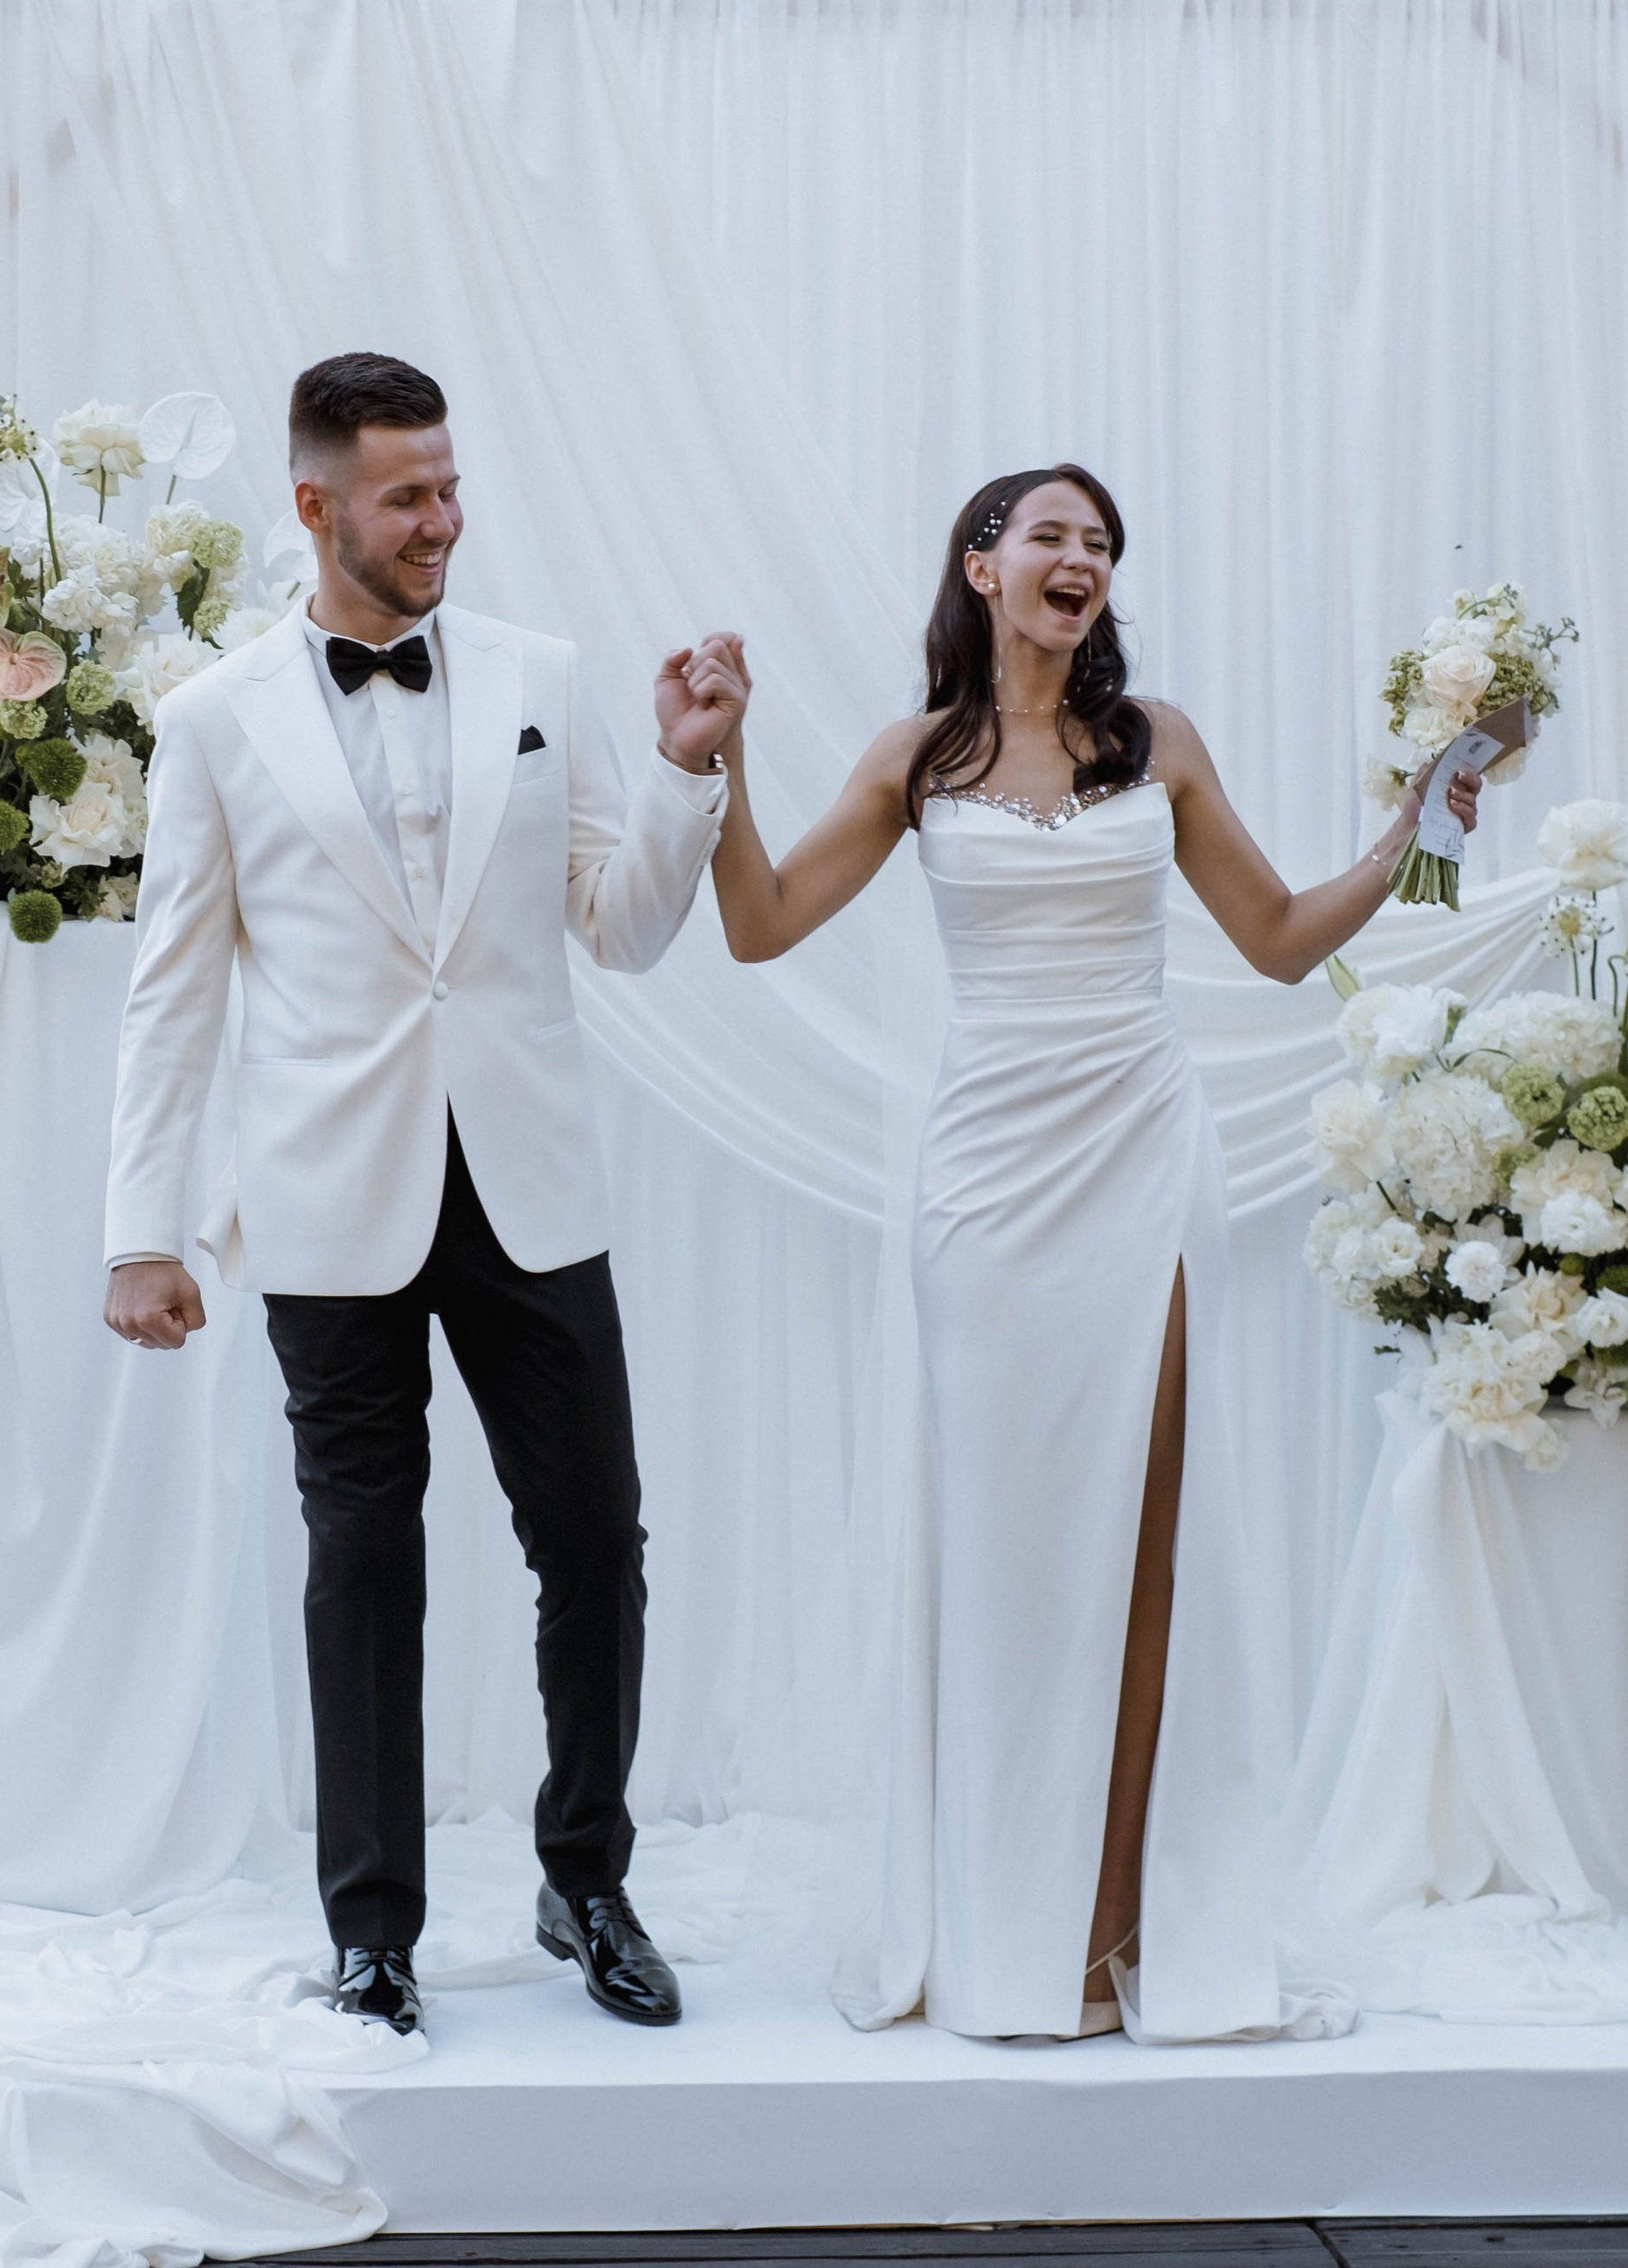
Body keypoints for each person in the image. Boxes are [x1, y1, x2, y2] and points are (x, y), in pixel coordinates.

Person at [704, 464, 1478, 2043]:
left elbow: (1277, 940)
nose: (1083, 558)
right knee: (1000, 1557)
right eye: (1052, 534)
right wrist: (717, 764)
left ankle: (1118, 1930)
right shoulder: (917, 756)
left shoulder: (1156, 742)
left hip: (1143, 1162)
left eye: (1102, 542)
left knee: (1143, 1539)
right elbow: (763, 921)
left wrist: (1409, 834)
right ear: (982, 563)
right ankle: (994, 1919)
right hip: (982, 1188)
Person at [101, 351, 745, 2042]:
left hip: (532, 1183)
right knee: (363, 1560)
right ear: (315, 504)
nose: (444, 520)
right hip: (329, 1199)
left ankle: (584, 1878)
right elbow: (173, 993)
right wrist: (143, 1233)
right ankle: (371, 1926)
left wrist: (686, 774)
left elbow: (622, 925)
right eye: (408, 495)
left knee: (594, 1538)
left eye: (452, 487)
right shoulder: (214, 719)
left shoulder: (543, 673)